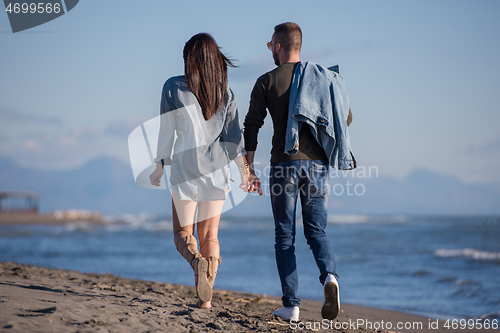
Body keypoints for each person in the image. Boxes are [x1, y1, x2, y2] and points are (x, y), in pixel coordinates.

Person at [243, 22, 355, 321]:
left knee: (284, 236)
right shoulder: (324, 79)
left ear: (278, 46)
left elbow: (251, 127)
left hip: (284, 165)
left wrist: (249, 169)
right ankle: (330, 277)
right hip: (317, 166)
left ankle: (291, 306)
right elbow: (344, 117)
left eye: (270, 45)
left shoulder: (265, 81)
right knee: (316, 230)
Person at [149, 33, 255, 309]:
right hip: (217, 173)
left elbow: (166, 132)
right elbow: (234, 141)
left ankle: (196, 262)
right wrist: (246, 174)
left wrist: (159, 167)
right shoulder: (226, 92)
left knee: (182, 235)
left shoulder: (172, 87)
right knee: (211, 237)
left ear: (189, 60)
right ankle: (206, 302)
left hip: (185, 171)